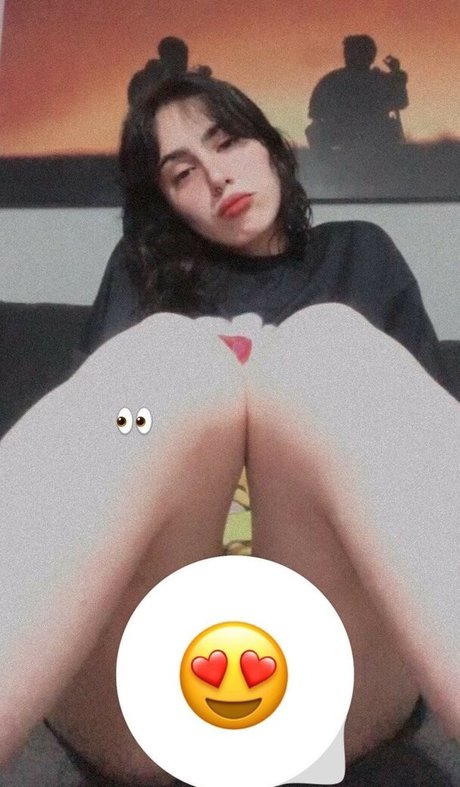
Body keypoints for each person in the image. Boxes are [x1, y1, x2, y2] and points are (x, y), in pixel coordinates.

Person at [1, 74, 457, 787]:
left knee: (325, 349)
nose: (215, 177)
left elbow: (411, 451)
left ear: (271, 147)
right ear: (166, 203)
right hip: (148, 665)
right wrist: (184, 388)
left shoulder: (359, 256)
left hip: (332, 666)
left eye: (228, 142)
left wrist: (288, 385)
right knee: (167, 361)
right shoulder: (141, 280)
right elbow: (111, 431)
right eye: (181, 173)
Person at [306, 34, 409, 153]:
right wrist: (396, 75)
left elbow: (315, 113)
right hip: (368, 137)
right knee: (315, 129)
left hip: (355, 137)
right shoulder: (380, 79)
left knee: (315, 129)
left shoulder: (331, 80)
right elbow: (401, 102)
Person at [127, 37, 189, 107]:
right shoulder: (144, 80)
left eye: (184, 57)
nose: (184, 62)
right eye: (179, 56)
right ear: (166, 56)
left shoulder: (184, 82)